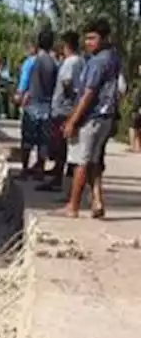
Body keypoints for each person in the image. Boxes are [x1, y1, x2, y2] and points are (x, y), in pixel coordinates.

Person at [62, 18, 121, 219]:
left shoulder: (97, 62)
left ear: (103, 39)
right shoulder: (113, 58)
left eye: (93, 38)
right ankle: (97, 199)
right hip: (106, 116)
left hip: (93, 116)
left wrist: (72, 121)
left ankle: (73, 206)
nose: (88, 43)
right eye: (86, 38)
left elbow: (88, 94)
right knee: (94, 161)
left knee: (82, 161)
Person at [39, 31, 84, 192]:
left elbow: (67, 82)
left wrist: (70, 99)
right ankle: (62, 177)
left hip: (63, 110)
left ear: (66, 45)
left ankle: (58, 178)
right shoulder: (80, 61)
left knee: (60, 146)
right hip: (68, 108)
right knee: (64, 146)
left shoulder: (70, 62)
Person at [16, 30, 59, 180]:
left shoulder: (31, 61)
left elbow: (23, 82)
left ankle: (25, 168)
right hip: (48, 105)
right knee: (43, 140)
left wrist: (19, 96)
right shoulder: (54, 63)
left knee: (27, 139)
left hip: (32, 104)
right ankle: (40, 168)